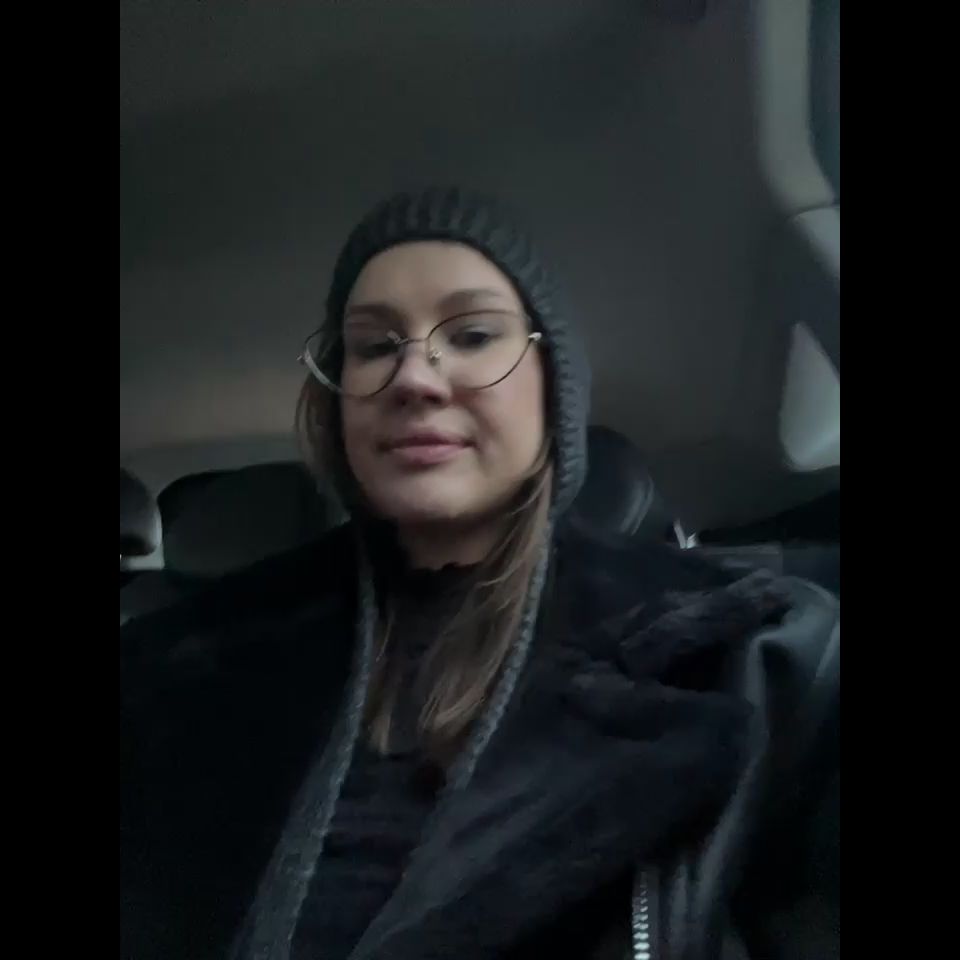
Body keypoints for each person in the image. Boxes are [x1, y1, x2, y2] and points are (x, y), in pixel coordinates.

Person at [120, 188, 839, 960]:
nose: (414, 378)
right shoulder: (175, 674)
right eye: (374, 346)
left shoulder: (748, 651)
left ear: (553, 384)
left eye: (471, 335)